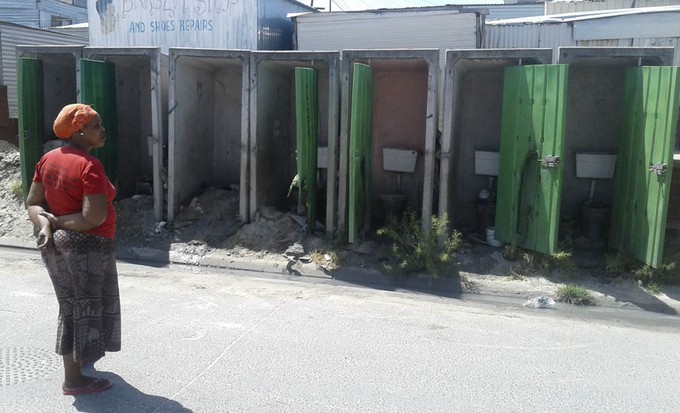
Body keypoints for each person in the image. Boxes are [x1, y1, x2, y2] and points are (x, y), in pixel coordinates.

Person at [26, 103, 121, 396]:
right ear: (79, 130)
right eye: (96, 126)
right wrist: (55, 221)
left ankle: (82, 355)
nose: (102, 130)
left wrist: (45, 225)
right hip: (87, 247)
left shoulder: (49, 159)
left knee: (72, 304)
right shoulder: (89, 166)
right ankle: (74, 380)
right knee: (80, 309)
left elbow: (32, 203)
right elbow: (93, 217)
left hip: (56, 245)